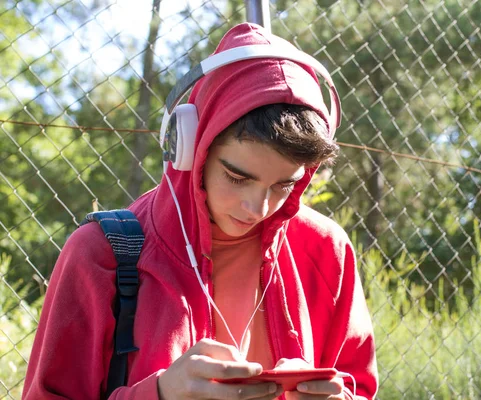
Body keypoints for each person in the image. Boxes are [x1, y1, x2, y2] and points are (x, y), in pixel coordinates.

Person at [23, 22, 378, 400]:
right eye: (237, 178)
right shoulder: (100, 254)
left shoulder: (326, 250)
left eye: (284, 185)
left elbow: (359, 387)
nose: (257, 208)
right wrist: (157, 394)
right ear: (191, 148)